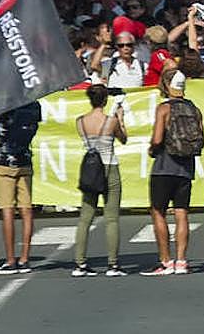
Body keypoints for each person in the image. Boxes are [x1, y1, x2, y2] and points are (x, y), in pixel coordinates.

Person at [145, 70, 199, 275]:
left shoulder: (164, 108)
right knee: (182, 212)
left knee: (158, 211)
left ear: (167, 85)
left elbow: (158, 139)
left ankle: (166, 261)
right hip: (185, 168)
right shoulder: (194, 109)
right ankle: (182, 261)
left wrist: (151, 148)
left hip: (164, 166)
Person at [72, 84, 127, 276]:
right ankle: (113, 264)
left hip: (90, 168)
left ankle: (80, 263)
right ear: (105, 100)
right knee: (111, 218)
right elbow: (124, 138)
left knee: (85, 217)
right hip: (109, 166)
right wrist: (120, 118)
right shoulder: (110, 121)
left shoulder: (80, 121)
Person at [0, 99, 42, 274]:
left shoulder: (3, 101)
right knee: (26, 209)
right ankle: (25, 258)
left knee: (7, 210)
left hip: (4, 160)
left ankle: (10, 259)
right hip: (24, 159)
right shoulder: (34, 104)